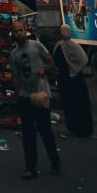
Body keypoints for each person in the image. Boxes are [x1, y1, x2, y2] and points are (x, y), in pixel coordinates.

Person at [9, 25, 61, 178]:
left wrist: (44, 70)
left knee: (45, 130)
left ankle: (55, 162)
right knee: (27, 133)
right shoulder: (13, 55)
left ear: (25, 32)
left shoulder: (36, 46)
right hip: (25, 96)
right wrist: (17, 94)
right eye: (16, 31)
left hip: (40, 94)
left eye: (21, 30)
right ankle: (30, 168)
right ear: (13, 34)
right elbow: (16, 76)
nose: (19, 33)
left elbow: (51, 62)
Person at [54, 33, 95, 137]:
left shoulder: (59, 47)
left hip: (65, 78)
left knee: (69, 104)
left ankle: (73, 128)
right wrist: (76, 68)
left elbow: (56, 62)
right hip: (78, 78)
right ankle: (85, 129)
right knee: (82, 104)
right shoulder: (76, 46)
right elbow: (84, 59)